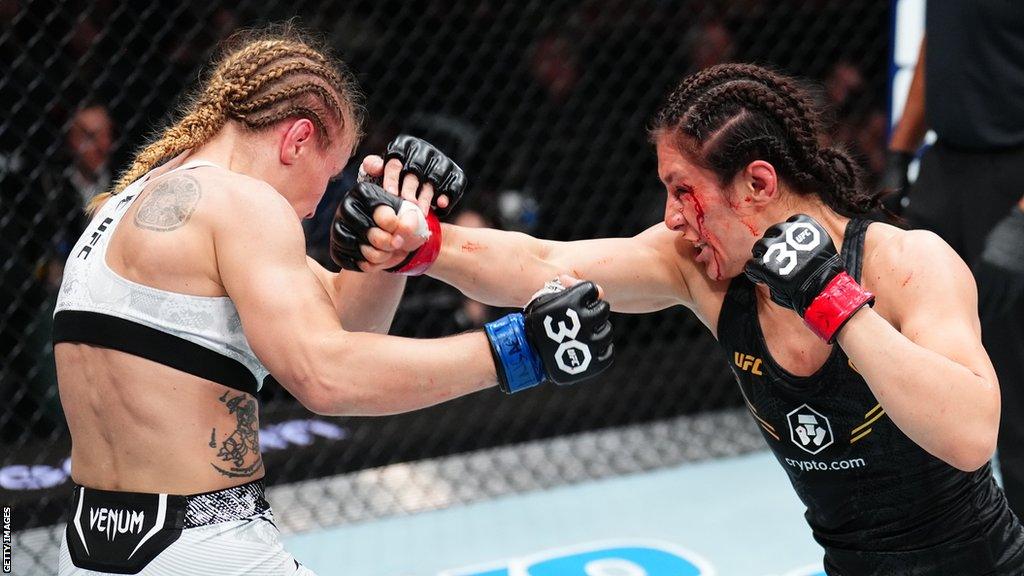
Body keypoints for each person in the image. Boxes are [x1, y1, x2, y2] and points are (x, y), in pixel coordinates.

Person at [338, 63, 1024, 574]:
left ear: (756, 184)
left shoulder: (907, 264)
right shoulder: (699, 270)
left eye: (682, 190)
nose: (670, 216)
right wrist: (422, 242)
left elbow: (970, 436)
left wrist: (839, 306)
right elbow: (541, 260)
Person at [53, 27, 613, 576]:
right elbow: (327, 376)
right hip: (206, 544)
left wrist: (392, 241)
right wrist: (523, 349)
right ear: (297, 139)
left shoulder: (129, 203)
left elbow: (342, 326)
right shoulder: (242, 203)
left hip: (85, 546)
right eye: (330, 173)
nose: (321, 201)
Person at [884, 0, 1024, 519]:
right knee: (913, 358)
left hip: (1013, 177)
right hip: (945, 169)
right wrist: (901, 152)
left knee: (1014, 385)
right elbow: (936, 49)